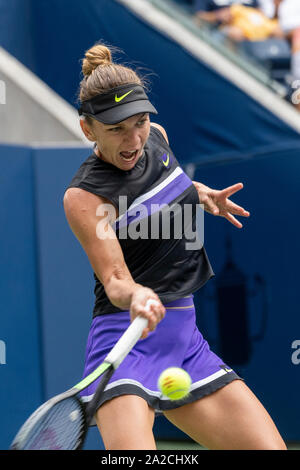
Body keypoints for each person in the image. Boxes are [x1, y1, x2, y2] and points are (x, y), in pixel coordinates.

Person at [63, 42, 287, 450]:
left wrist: (199, 194)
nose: (133, 139)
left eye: (140, 122)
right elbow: (114, 279)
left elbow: (163, 188)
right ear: (88, 129)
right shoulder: (85, 197)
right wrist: (137, 295)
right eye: (116, 129)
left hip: (184, 339)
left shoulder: (158, 140)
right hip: (125, 344)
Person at [194, 0, 283, 42]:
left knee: (279, 31)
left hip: (252, 31)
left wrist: (276, 8)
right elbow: (198, 15)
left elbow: (260, 14)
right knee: (235, 33)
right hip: (222, 30)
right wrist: (217, 16)